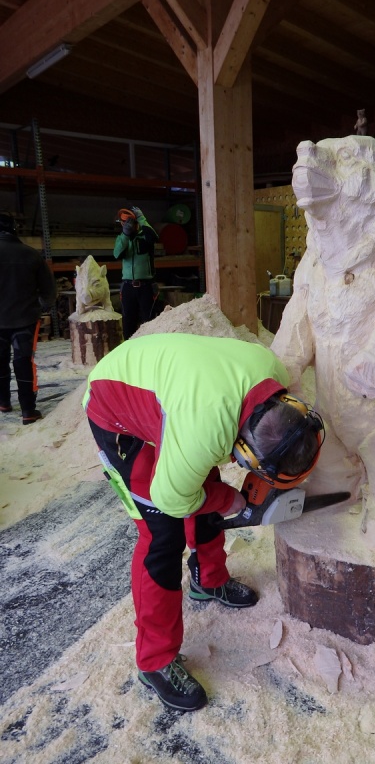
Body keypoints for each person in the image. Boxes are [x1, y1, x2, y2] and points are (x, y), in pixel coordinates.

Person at [83, 333, 323, 712]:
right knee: (162, 536)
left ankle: (208, 581)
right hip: (113, 407)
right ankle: (155, 661)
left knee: (200, 480)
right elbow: (171, 497)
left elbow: (205, 447)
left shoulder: (273, 376)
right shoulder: (204, 429)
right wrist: (230, 499)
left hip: (181, 394)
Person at [0, 210, 57, 424]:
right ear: (14, 229)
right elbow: (49, 291)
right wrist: (42, 306)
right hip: (25, 319)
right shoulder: (31, 255)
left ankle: (3, 402)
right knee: (24, 361)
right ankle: (28, 411)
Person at [113, 205, 160, 340]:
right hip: (128, 286)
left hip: (146, 286)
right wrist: (125, 235)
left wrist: (141, 218)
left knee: (149, 320)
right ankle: (129, 345)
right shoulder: (122, 239)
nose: (125, 225)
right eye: (123, 223)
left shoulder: (145, 237)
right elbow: (117, 254)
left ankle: (150, 346)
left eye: (128, 222)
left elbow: (154, 237)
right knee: (128, 321)